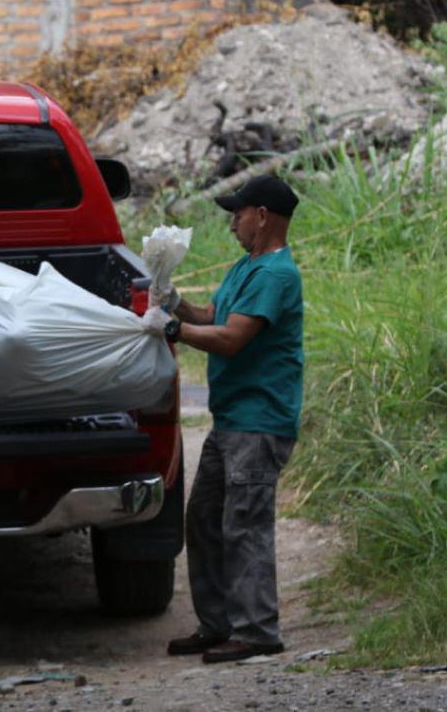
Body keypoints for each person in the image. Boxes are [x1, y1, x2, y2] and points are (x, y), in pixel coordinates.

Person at [147, 175, 303, 664]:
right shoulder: (246, 267)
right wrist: (172, 300)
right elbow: (213, 314)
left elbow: (232, 338)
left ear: (262, 216)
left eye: (238, 214)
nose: (233, 223)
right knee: (205, 518)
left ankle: (257, 630)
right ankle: (218, 624)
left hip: (260, 420)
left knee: (245, 523)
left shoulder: (277, 274)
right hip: (231, 417)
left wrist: (174, 329)